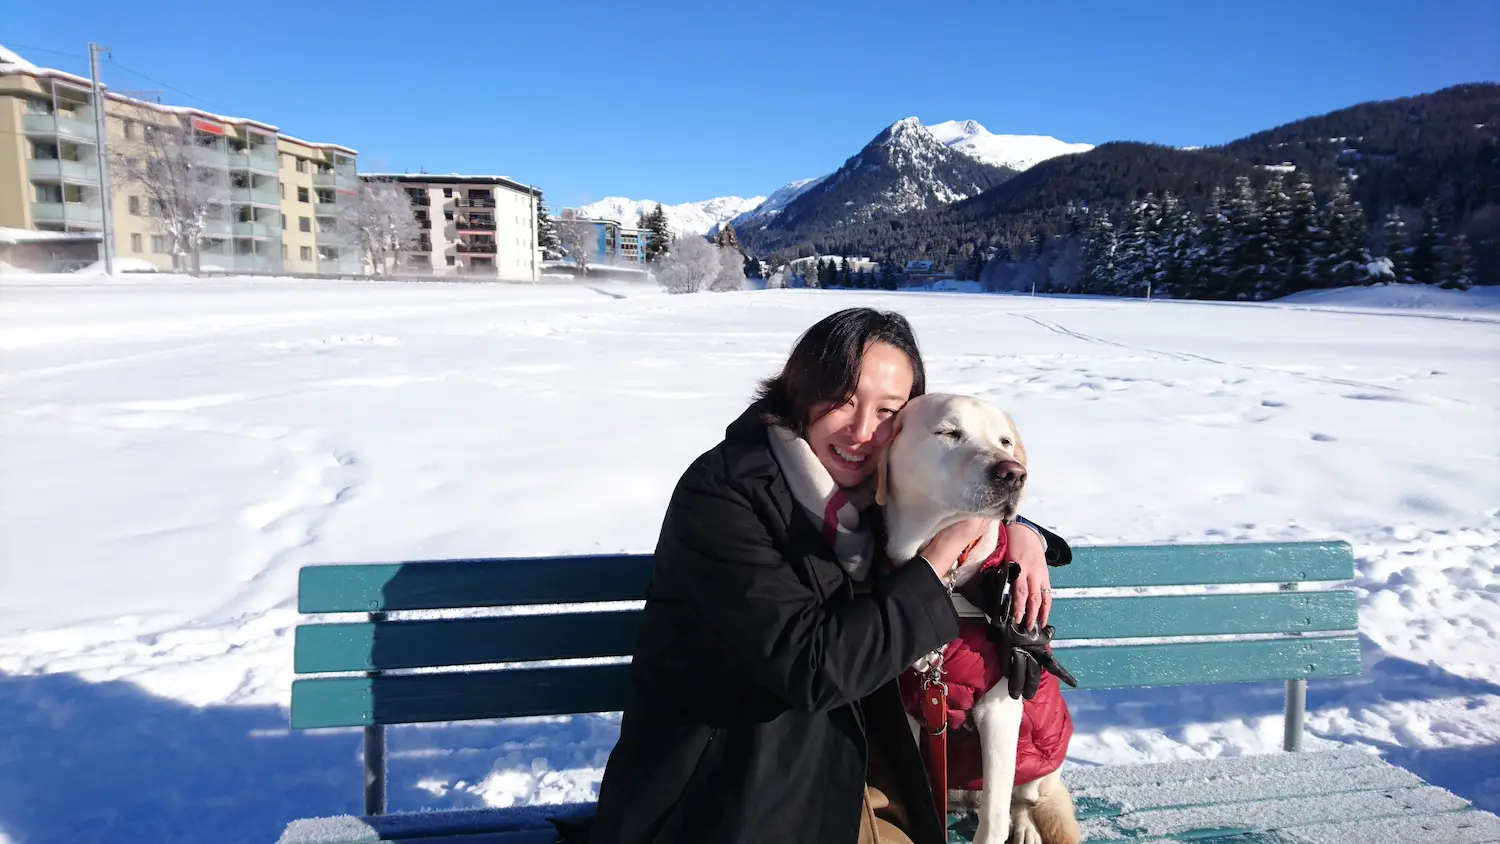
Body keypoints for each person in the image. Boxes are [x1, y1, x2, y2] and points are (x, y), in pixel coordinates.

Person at [585, 307, 1071, 844]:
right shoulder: (724, 495)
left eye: (887, 411)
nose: (863, 432)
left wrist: (1021, 530)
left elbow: (951, 484)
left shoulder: (865, 494)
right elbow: (814, 667)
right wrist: (936, 567)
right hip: (733, 784)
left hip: (854, 760)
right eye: (844, 401)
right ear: (800, 390)